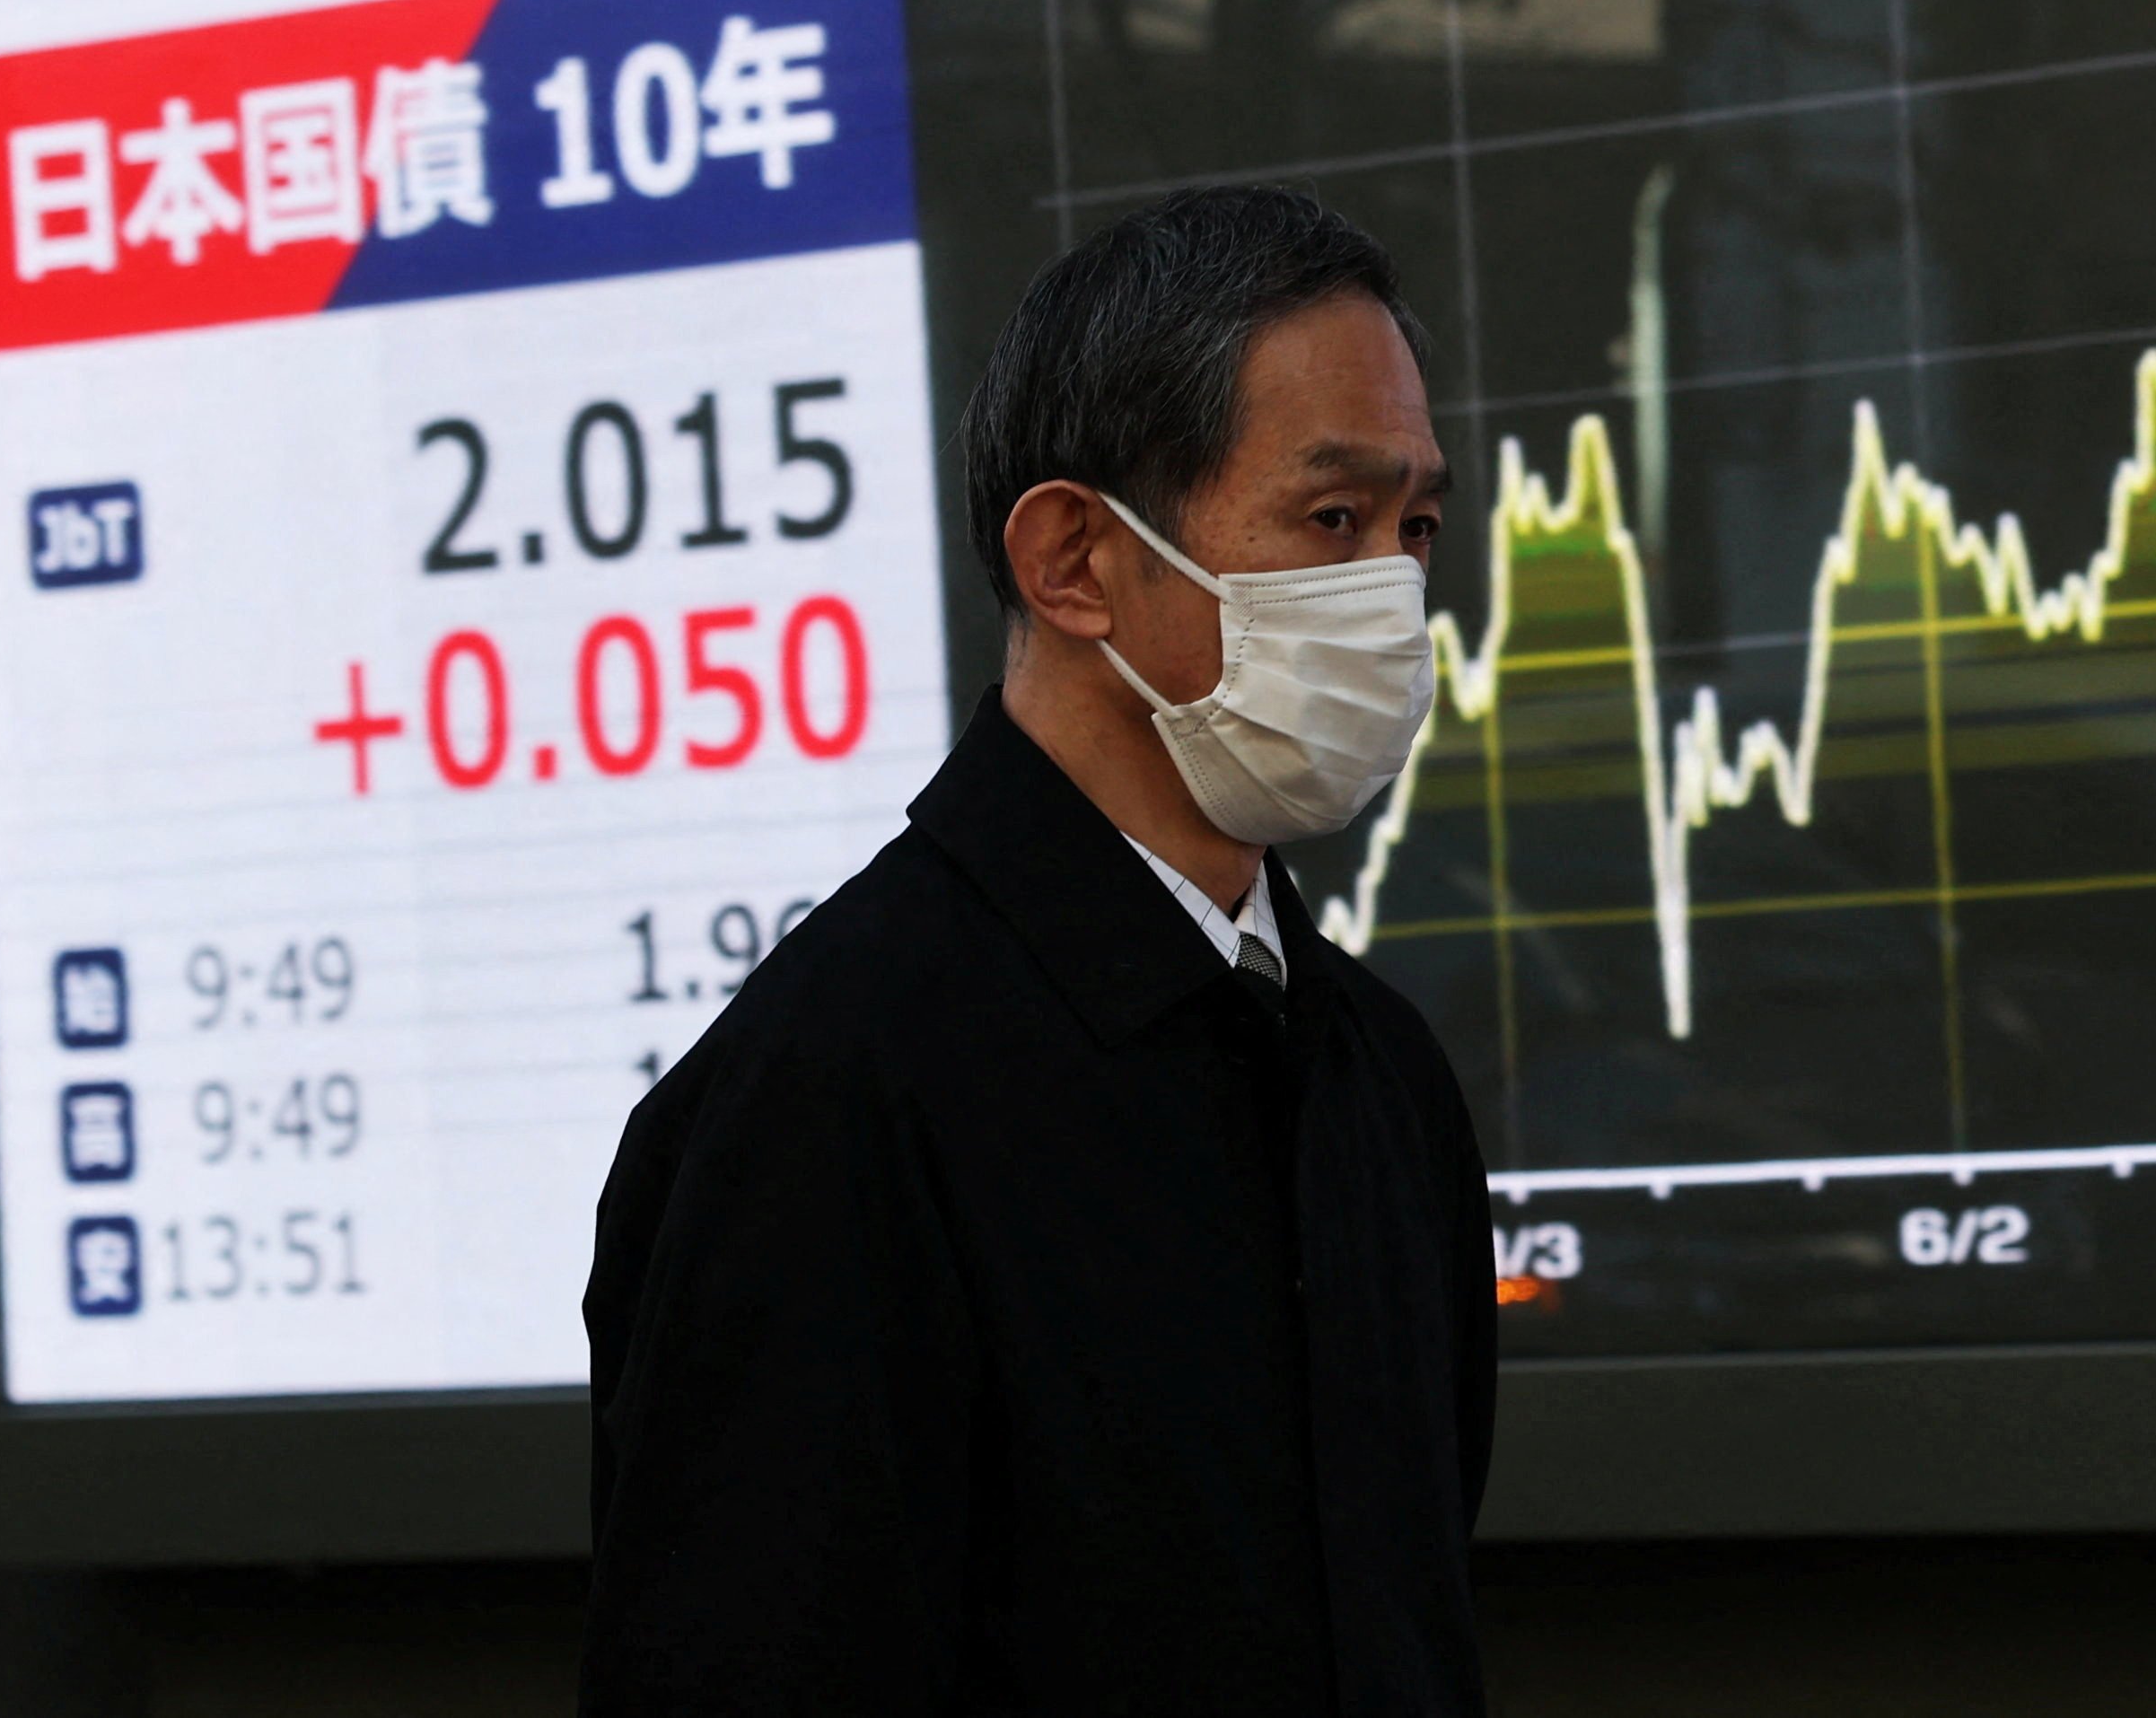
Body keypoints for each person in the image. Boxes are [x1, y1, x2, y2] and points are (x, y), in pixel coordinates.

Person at [580, 187, 1493, 1715]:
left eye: (1414, 530)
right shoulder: (832, 1094)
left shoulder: (1375, 1075)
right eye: (1331, 522)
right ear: (1074, 560)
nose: (1389, 597)